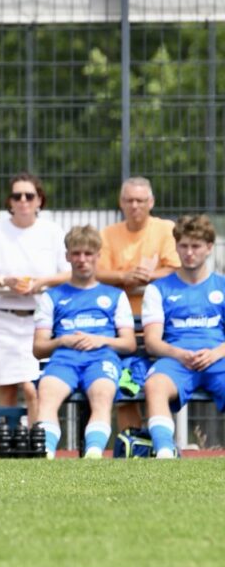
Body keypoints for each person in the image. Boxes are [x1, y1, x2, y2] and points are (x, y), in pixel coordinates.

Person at [0, 172, 70, 424]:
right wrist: (4, 281)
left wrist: (41, 283)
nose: (23, 200)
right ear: (9, 201)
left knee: (33, 387)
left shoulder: (52, 231)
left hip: (39, 322)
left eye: (29, 195)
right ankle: (8, 447)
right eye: (17, 196)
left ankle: (38, 442)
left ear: (39, 200)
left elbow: (68, 272)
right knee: (6, 388)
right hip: (2, 320)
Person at [32, 226, 136, 459]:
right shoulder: (52, 296)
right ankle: (45, 454)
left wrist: (101, 340)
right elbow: (38, 349)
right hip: (63, 360)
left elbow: (129, 344)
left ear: (98, 256)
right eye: (76, 253)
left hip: (102, 359)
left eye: (88, 254)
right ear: (67, 256)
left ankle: (93, 453)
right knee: (47, 395)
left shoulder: (115, 296)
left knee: (103, 394)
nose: (82, 259)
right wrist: (62, 340)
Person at [96, 177, 181, 435]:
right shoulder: (108, 234)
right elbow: (98, 273)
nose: (135, 205)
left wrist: (145, 277)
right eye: (130, 200)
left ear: (151, 202)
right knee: (125, 386)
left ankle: (161, 441)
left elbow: (176, 268)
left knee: (160, 384)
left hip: (161, 325)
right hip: (121, 326)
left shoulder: (166, 229)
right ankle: (132, 445)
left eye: (141, 200)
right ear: (121, 203)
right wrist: (125, 277)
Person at [141, 214, 225, 459]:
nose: (189, 253)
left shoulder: (222, 286)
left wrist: (215, 353)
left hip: (217, 358)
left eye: (196, 246)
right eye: (184, 246)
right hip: (176, 360)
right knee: (154, 385)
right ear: (176, 246)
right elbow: (152, 342)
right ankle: (165, 452)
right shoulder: (158, 289)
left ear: (209, 247)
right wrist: (180, 354)